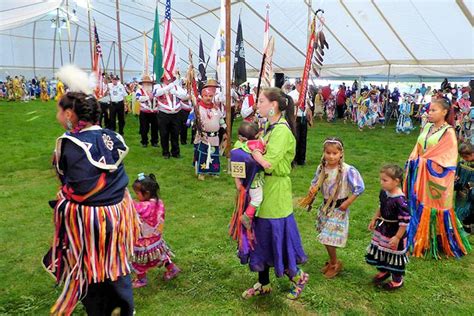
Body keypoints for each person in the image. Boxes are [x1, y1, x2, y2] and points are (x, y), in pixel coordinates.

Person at [42, 65, 138, 315]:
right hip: (118, 213)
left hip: (90, 221)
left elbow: (82, 187)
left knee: (90, 266)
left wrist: (64, 198)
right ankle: (124, 307)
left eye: (59, 110)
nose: (58, 115)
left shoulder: (71, 143)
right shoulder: (110, 135)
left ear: (70, 114)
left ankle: (102, 308)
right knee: (116, 262)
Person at [241, 87, 308, 300]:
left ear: (274, 105)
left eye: (261, 101)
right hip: (262, 189)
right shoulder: (269, 126)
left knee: (275, 236)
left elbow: (269, 165)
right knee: (259, 236)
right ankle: (263, 282)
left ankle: (298, 277)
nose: (257, 105)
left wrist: (253, 151)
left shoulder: (281, 131)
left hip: (275, 191)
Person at [404, 98, 471, 258]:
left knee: (434, 207)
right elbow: (418, 147)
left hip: (436, 177)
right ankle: (419, 238)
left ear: (445, 112)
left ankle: (437, 240)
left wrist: (423, 162)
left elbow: (448, 158)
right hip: (419, 173)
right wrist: (412, 161)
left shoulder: (448, 132)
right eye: (429, 110)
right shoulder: (427, 127)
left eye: (434, 110)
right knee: (418, 203)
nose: (429, 113)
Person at [299, 137, 365, 278]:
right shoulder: (322, 168)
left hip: (339, 207)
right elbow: (315, 181)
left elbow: (360, 187)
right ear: (324, 153)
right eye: (328, 153)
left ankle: (334, 264)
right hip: (326, 206)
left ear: (341, 153)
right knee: (326, 236)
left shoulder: (348, 170)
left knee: (328, 237)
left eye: (334, 153)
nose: (331, 156)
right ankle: (333, 261)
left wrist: (348, 203)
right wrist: (313, 189)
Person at [131, 173, 181, 288]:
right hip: (157, 240)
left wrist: (125, 197)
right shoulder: (159, 203)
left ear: (147, 193)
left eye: (137, 193)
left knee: (139, 261)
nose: (136, 196)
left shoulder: (144, 207)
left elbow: (132, 207)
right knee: (161, 255)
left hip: (143, 241)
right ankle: (172, 269)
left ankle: (141, 280)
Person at [366, 165, 410, 291]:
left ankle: (397, 280)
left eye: (385, 180)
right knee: (382, 251)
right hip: (383, 229)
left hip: (395, 231)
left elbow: (404, 222)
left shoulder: (400, 201)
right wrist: (375, 218)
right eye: (381, 179)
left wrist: (397, 237)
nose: (381, 183)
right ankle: (384, 270)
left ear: (396, 181)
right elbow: (381, 206)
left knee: (394, 256)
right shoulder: (384, 193)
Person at [193, 79, 226, 180]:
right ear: (202, 96)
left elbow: (221, 120)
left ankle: (214, 171)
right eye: (206, 96)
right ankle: (201, 172)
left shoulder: (216, 108)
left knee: (214, 154)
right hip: (204, 137)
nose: (208, 98)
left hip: (214, 137)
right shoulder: (198, 108)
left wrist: (225, 129)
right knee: (203, 154)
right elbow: (193, 120)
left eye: (210, 96)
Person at [153, 75, 188, 158]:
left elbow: (184, 95)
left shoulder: (176, 87)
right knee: (164, 133)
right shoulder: (158, 86)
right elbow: (156, 93)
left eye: (171, 78)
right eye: (167, 78)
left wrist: (175, 92)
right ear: (163, 79)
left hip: (176, 113)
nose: (169, 80)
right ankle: (165, 152)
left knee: (175, 133)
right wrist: (167, 88)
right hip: (163, 114)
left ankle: (175, 152)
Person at [288, 79, 312, 165]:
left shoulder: (305, 94)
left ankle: (302, 159)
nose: (302, 87)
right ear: (297, 85)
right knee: (296, 138)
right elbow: (287, 105)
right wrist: (295, 104)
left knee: (303, 138)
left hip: (303, 117)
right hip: (295, 118)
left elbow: (308, 106)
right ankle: (294, 159)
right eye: (301, 85)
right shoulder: (291, 94)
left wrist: (310, 118)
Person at [454, 142, 474, 233]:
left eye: (466, 157)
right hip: (462, 193)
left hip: (472, 194)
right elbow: (456, 176)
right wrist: (455, 180)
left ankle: (470, 227)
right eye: (462, 157)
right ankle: (461, 225)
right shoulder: (461, 163)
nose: (464, 159)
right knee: (460, 210)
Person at [136, 75, 159, 148]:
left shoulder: (155, 90)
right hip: (144, 112)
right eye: (145, 83)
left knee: (155, 128)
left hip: (154, 112)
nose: (147, 85)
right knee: (144, 128)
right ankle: (144, 142)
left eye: (149, 83)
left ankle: (154, 141)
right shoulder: (140, 90)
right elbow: (138, 98)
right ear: (142, 84)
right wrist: (148, 97)